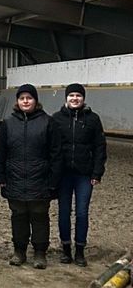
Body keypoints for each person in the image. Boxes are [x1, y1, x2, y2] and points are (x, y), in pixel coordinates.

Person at [0, 84, 61, 269]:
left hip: (40, 180)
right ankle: (19, 250)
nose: (25, 101)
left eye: (29, 98)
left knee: (39, 216)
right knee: (18, 216)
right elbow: (0, 153)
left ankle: (40, 252)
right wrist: (1, 178)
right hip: (15, 179)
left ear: (35, 100)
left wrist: (53, 181)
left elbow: (56, 154)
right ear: (17, 101)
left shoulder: (48, 122)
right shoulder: (8, 123)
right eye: (22, 98)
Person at [52, 83, 107, 267]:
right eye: (71, 95)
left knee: (82, 212)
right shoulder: (57, 119)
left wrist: (97, 172)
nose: (75, 98)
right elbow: (51, 147)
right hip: (63, 174)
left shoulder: (93, 119)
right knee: (64, 212)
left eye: (78, 95)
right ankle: (66, 248)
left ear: (83, 98)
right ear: (66, 98)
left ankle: (80, 250)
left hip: (84, 175)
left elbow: (100, 147)